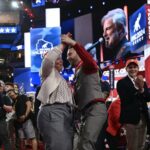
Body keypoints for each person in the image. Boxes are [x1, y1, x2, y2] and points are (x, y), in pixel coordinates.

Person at [62, 34, 107, 150]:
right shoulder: (77, 71)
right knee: (79, 145)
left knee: (86, 144)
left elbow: (89, 60)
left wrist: (73, 43)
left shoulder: (87, 65)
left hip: (95, 109)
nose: (67, 58)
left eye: (70, 54)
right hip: (85, 113)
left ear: (78, 52)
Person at [37, 39, 74, 150]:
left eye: (61, 59)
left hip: (63, 114)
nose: (60, 61)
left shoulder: (60, 77)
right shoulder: (48, 72)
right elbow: (49, 59)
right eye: (57, 58)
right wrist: (63, 44)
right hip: (54, 112)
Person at [117, 59, 150, 150]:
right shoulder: (121, 83)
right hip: (131, 120)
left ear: (138, 68)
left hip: (143, 118)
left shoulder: (142, 81)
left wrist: (142, 89)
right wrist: (138, 88)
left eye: (135, 67)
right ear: (126, 69)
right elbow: (125, 99)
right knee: (132, 146)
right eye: (130, 67)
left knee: (141, 145)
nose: (133, 69)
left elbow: (148, 97)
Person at [0, 80, 12, 150]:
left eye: (0, 86)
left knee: (5, 139)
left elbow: (10, 109)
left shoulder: (5, 97)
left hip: (1, 121)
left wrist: (3, 105)